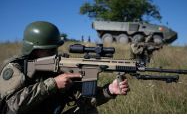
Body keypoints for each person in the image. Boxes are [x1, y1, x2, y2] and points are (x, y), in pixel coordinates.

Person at [0, 21, 130, 114]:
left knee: (89, 113)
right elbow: (10, 107)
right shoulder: (16, 68)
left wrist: (109, 91)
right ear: (33, 50)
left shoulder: (60, 68)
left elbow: (87, 100)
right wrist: (52, 85)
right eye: (49, 49)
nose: (54, 52)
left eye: (55, 48)